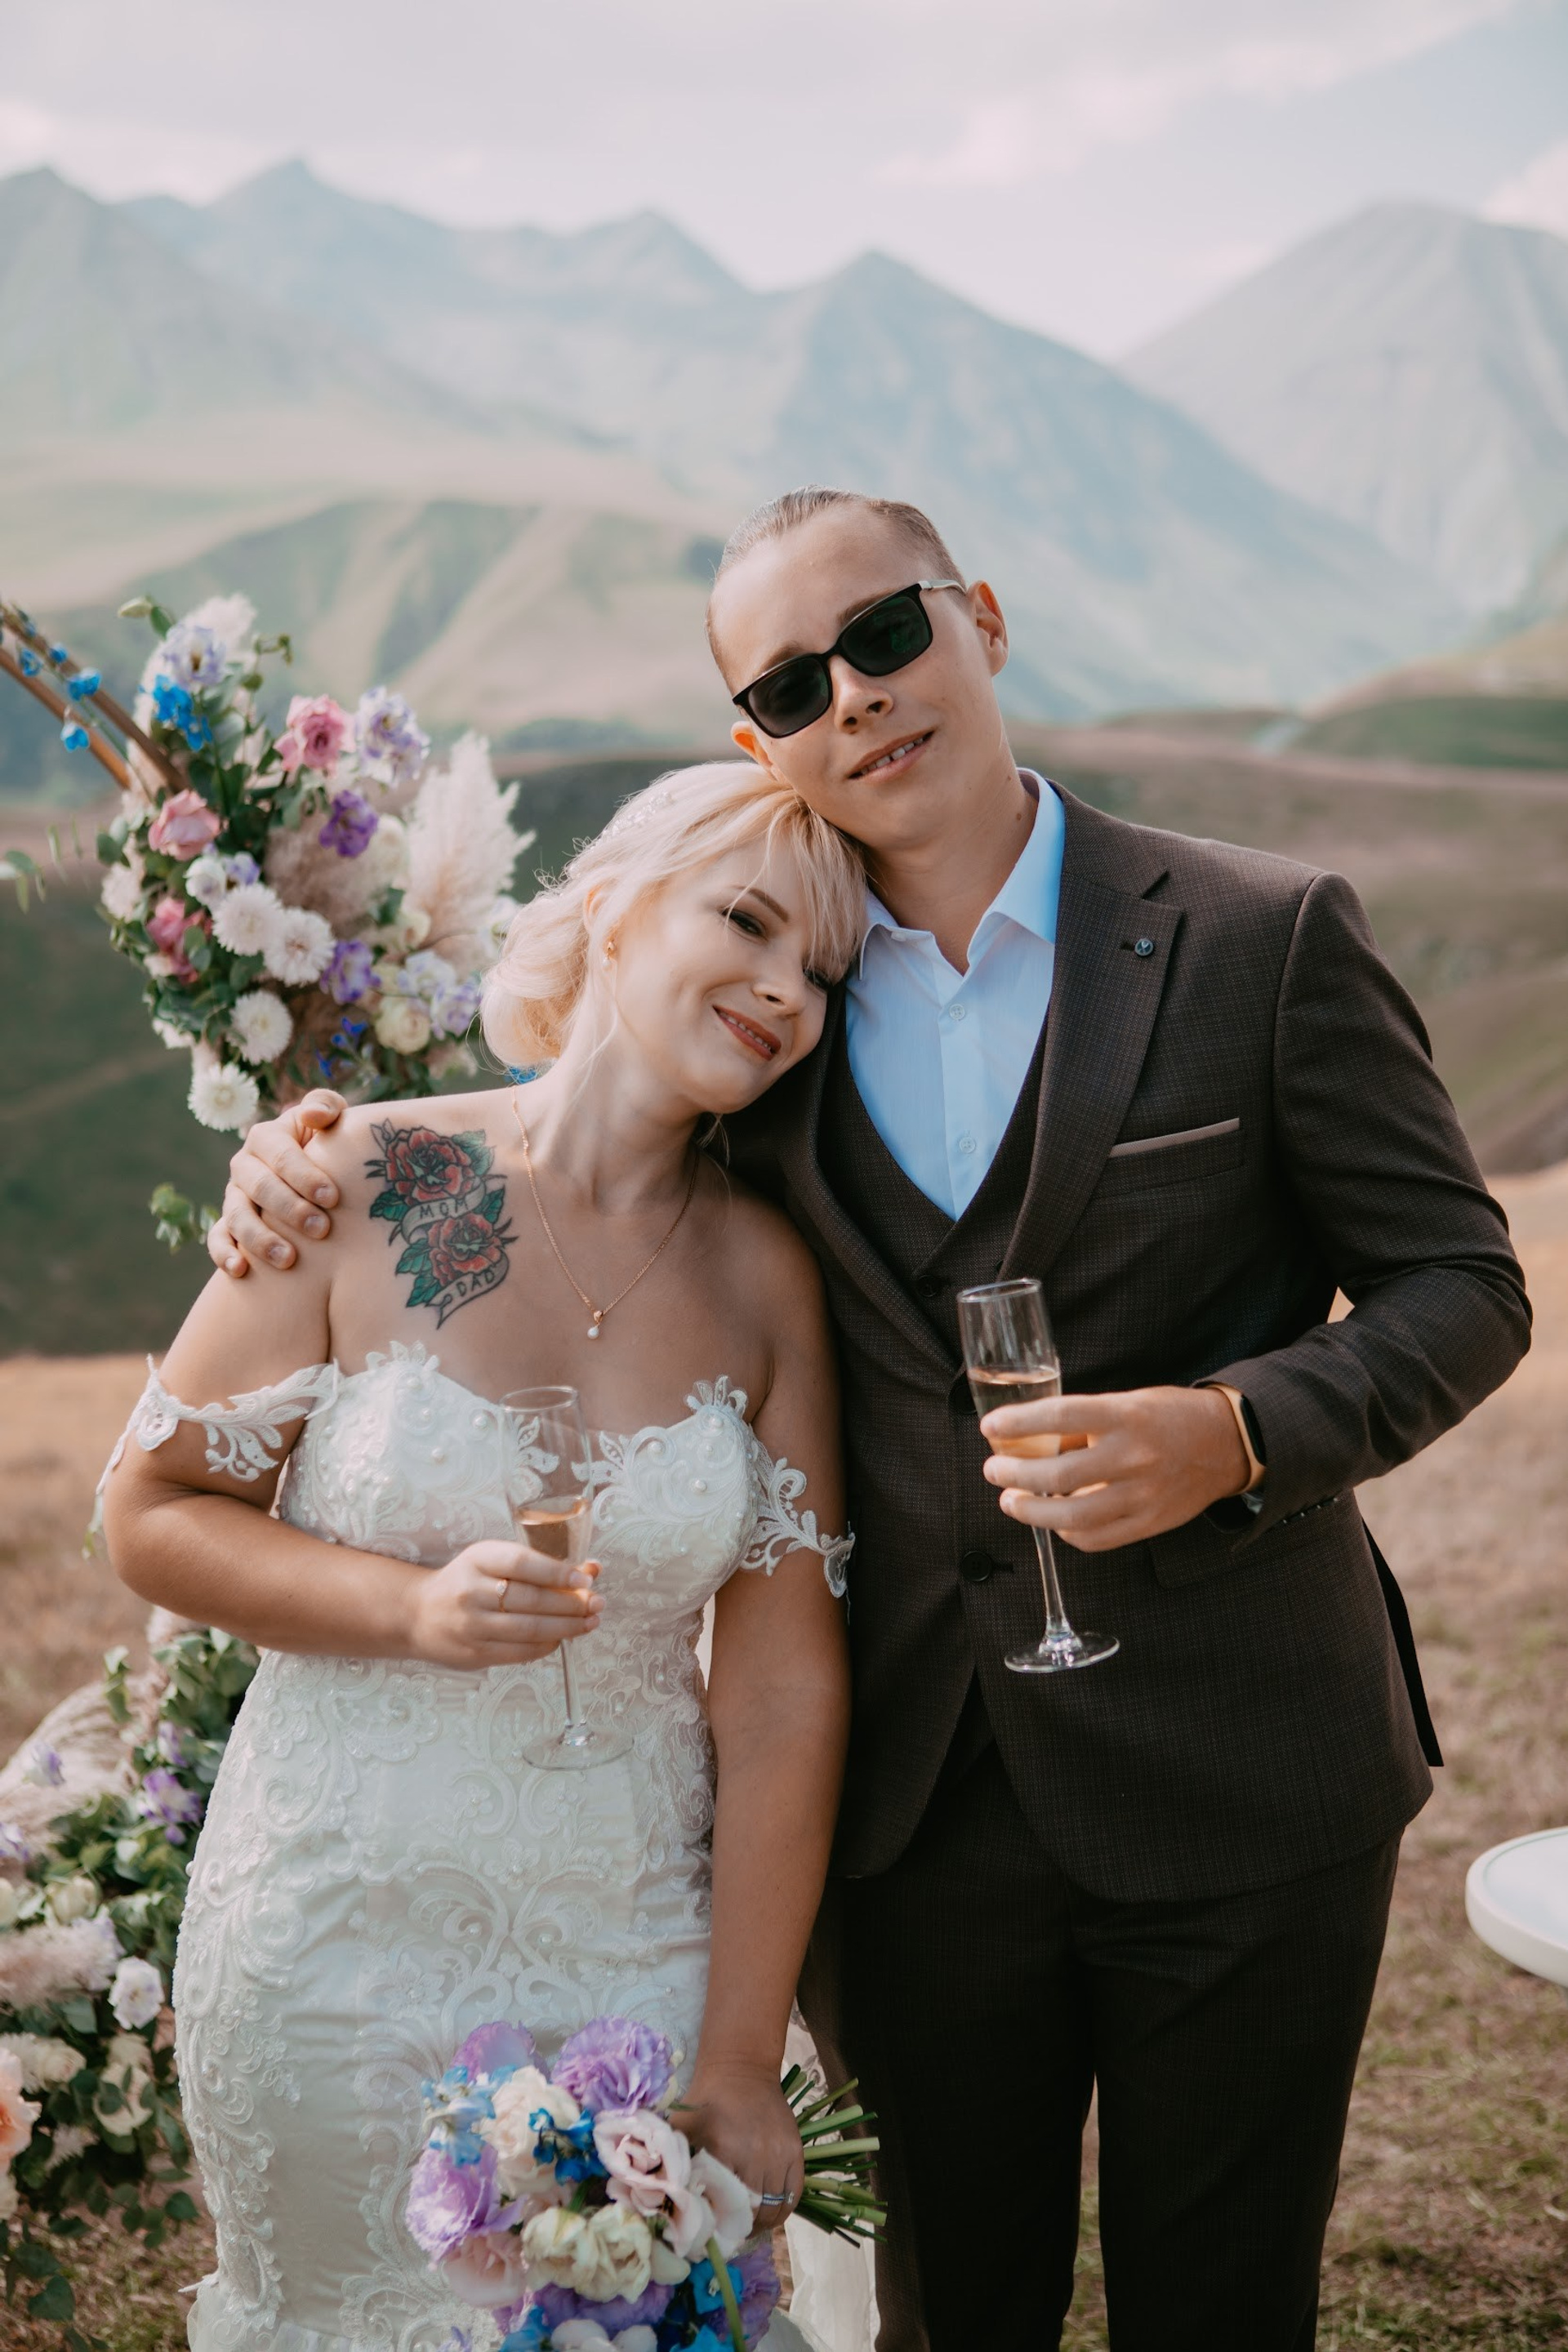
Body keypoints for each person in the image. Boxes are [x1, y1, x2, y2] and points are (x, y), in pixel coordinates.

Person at [217, 488, 1532, 2352]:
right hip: (909, 1820)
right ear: (756, 737)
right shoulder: (767, 1022)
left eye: (886, 634)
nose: (852, 695)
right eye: (788, 685)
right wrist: (310, 1156)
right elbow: (574, 1144)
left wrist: (1236, 1431)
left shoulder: (1263, 935)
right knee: (945, 2320)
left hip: (1249, 1771)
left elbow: (1463, 1284)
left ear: (979, 617)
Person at [102, 762, 864, 2352]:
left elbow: (784, 1691)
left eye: (823, 970)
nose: (787, 991)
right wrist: (410, 1608)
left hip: (637, 1956)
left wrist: (739, 2056)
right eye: (749, 923)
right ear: (614, 907)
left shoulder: (768, 1279)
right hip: (330, 1945)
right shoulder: (359, 1179)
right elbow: (154, 1511)